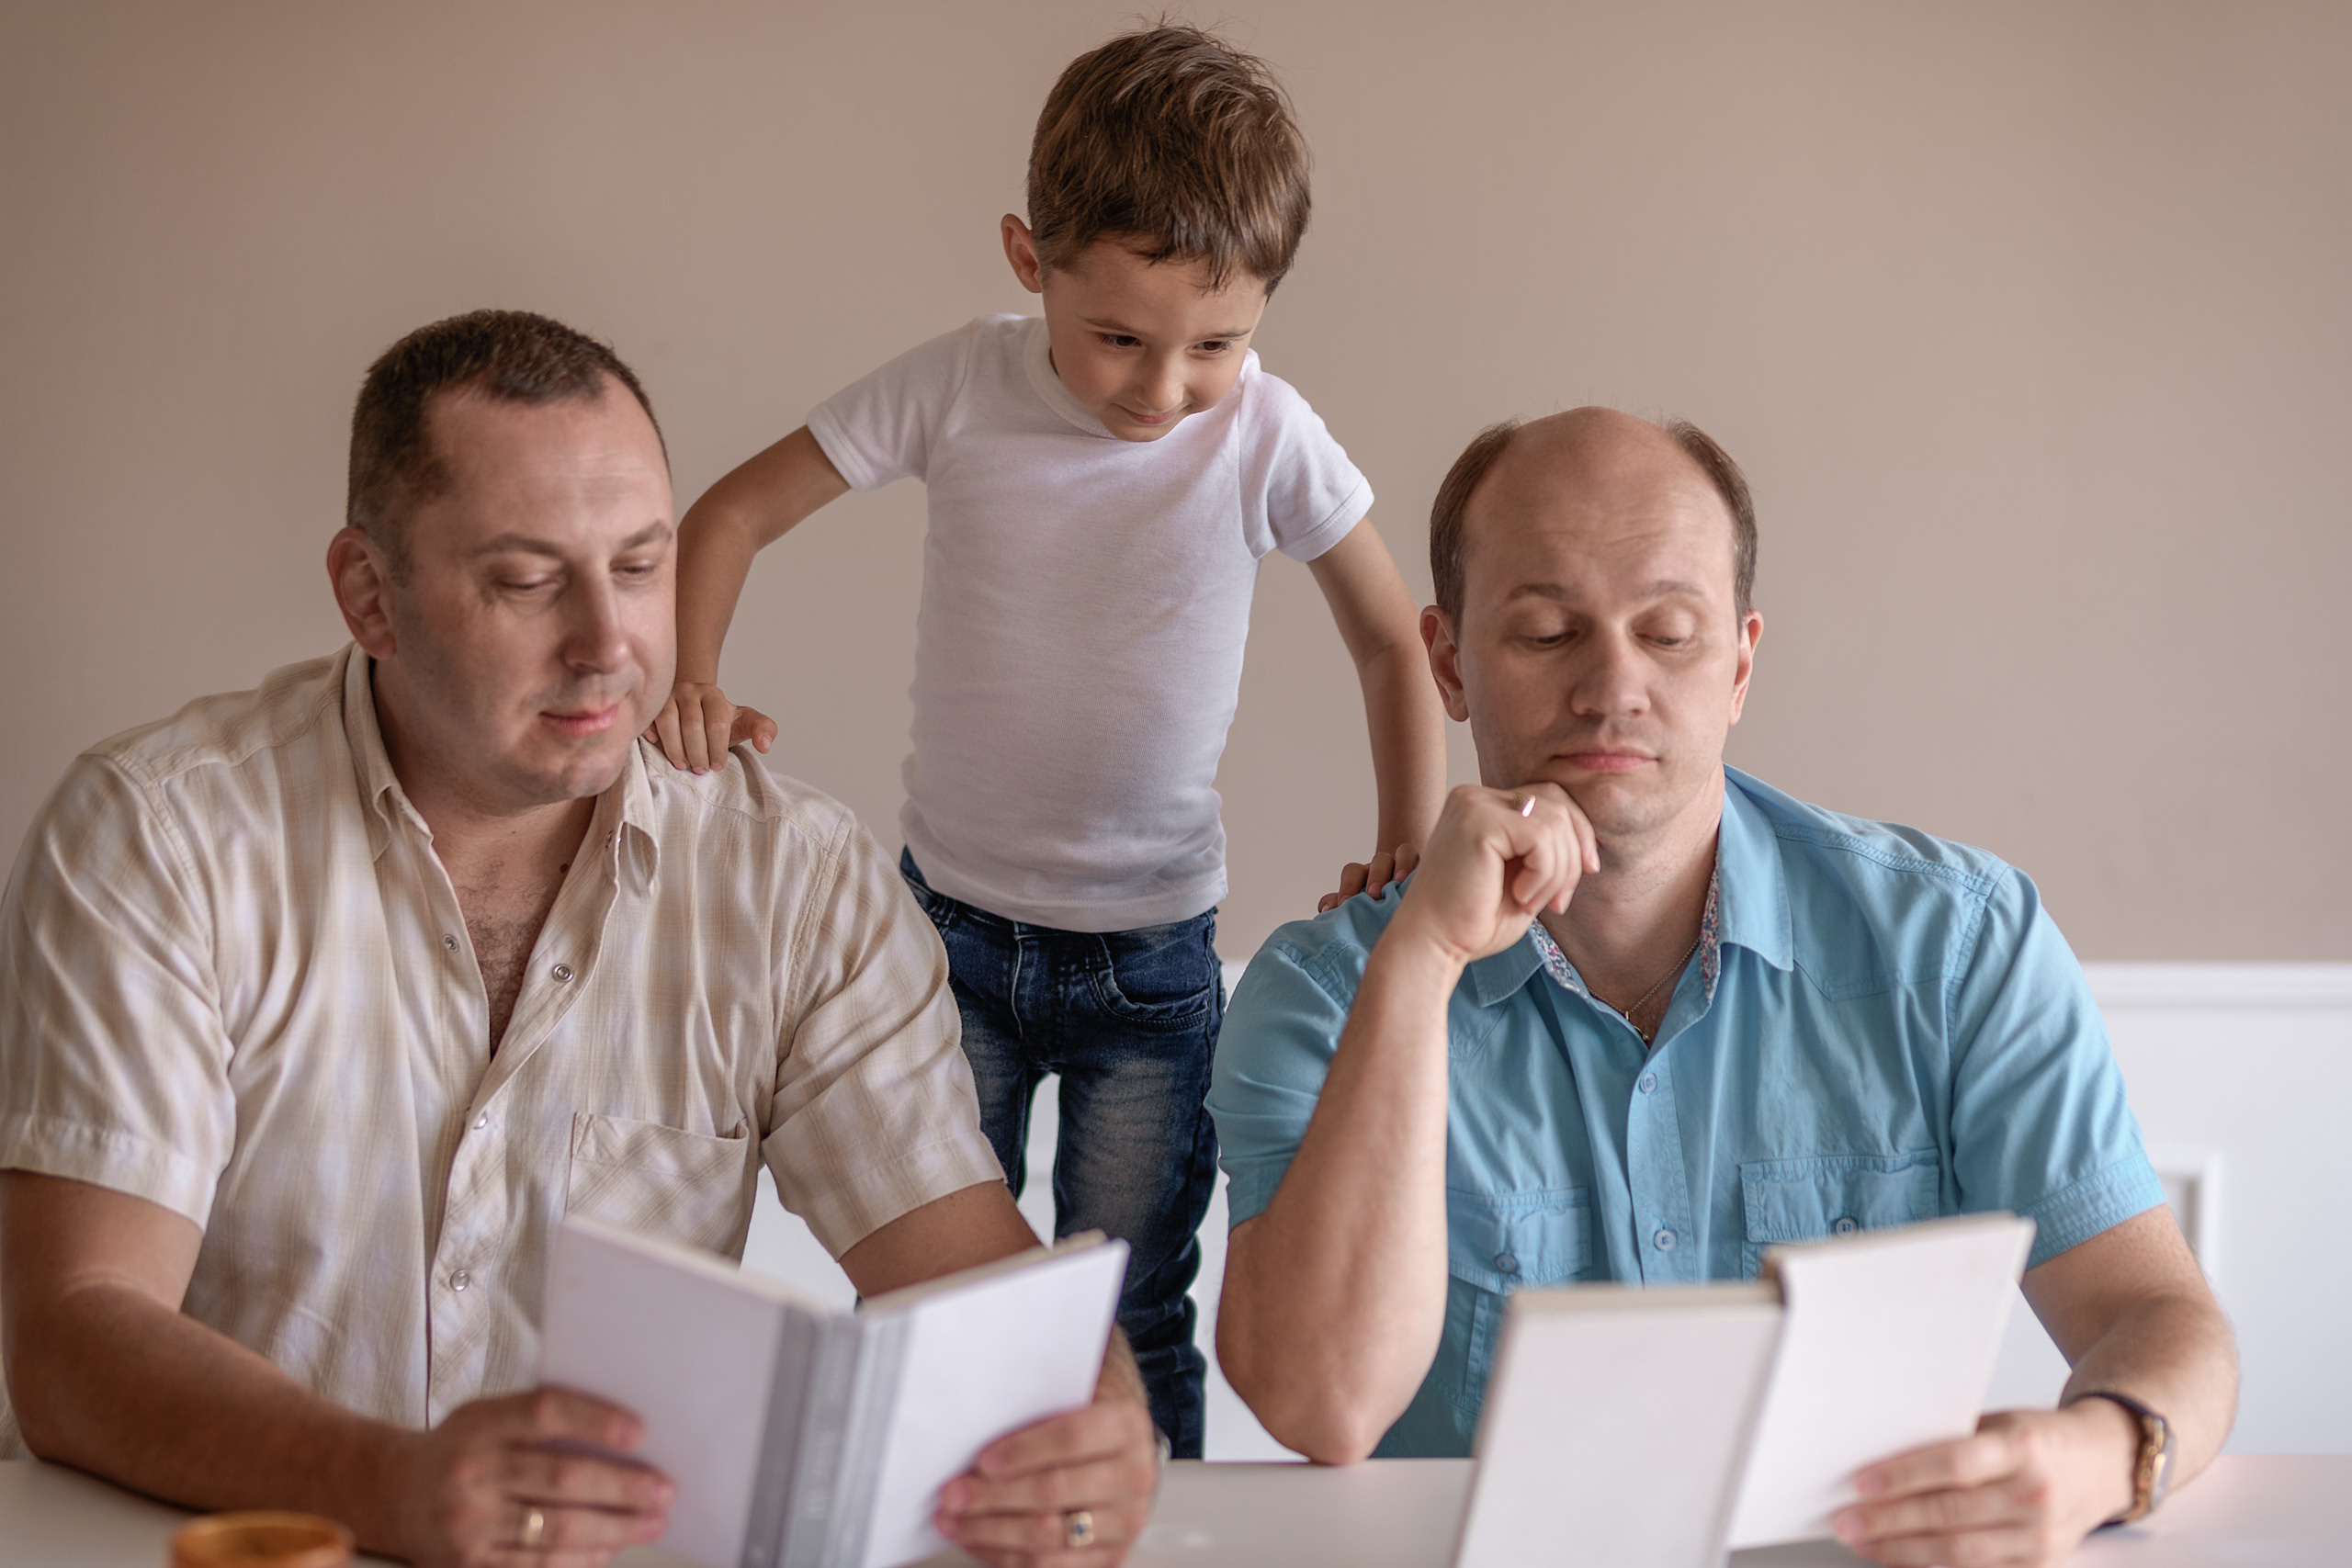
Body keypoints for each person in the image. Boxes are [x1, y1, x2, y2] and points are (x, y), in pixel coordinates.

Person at [0, 310, 1158, 1568]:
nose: (610, 643)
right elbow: (72, 1329)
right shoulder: (161, 834)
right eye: (527, 579)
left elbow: (965, 1269)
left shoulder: (796, 880)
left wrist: (1092, 1421)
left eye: (643, 564)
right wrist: (378, 1481)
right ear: (368, 594)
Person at [1208, 408, 2238, 1567]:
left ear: (1741, 662)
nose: (1612, 687)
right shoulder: (1322, 991)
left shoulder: (1957, 944)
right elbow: (1318, 1404)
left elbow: (2157, 1319)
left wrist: (2100, 1457)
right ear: (1448, 662)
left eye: (1670, 634)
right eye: (1547, 633)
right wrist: (1423, 961)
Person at [646, 25, 1446, 1457]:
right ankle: (918, 1513)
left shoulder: (1266, 434)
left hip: (1150, 957)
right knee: (937, 1297)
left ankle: (1150, 1527)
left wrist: (1408, 836)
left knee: (1125, 1305)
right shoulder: (961, 384)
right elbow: (726, 514)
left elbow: (1396, 636)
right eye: (1121, 337)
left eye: (1217, 342)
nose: (1163, 387)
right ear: (1031, 259)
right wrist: (690, 681)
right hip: (946, 938)